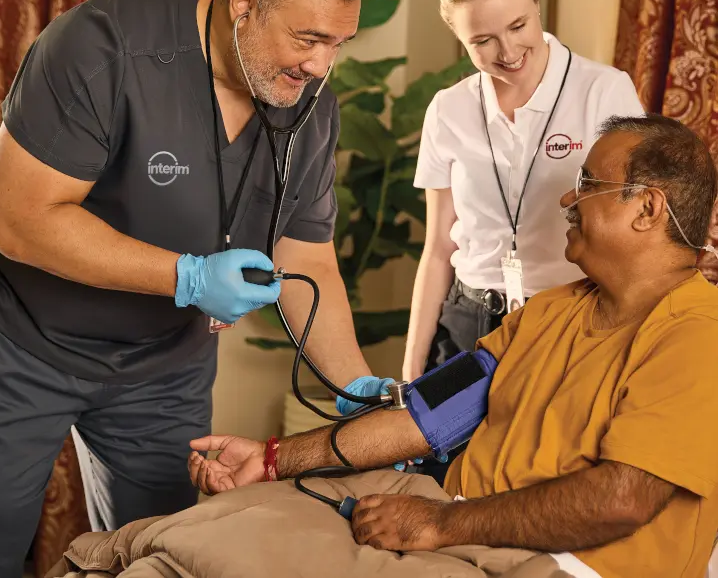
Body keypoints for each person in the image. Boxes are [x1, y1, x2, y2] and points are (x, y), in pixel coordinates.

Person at [0, 0, 392, 578]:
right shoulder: (103, 48)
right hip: (15, 343)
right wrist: (188, 277)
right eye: (309, 39)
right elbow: (21, 220)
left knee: (160, 552)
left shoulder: (310, 106)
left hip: (163, 367)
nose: (322, 66)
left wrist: (355, 386)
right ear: (244, 4)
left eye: (339, 43)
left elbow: (306, 257)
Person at [188, 115, 718, 578]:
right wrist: (273, 459)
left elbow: (622, 500)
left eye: (588, 183)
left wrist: (443, 523)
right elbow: (428, 416)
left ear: (647, 209)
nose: (567, 198)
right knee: (203, 537)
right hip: (456, 526)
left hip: (568, 562)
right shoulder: (551, 311)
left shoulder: (698, 336)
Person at [402, 0, 644, 388]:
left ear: (537, 0)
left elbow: (636, 233)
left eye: (518, 25)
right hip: (467, 327)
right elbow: (438, 247)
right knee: (443, 440)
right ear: (458, 36)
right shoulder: (448, 109)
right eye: (482, 40)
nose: (508, 51)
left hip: (570, 320)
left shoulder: (605, 92)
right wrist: (413, 361)